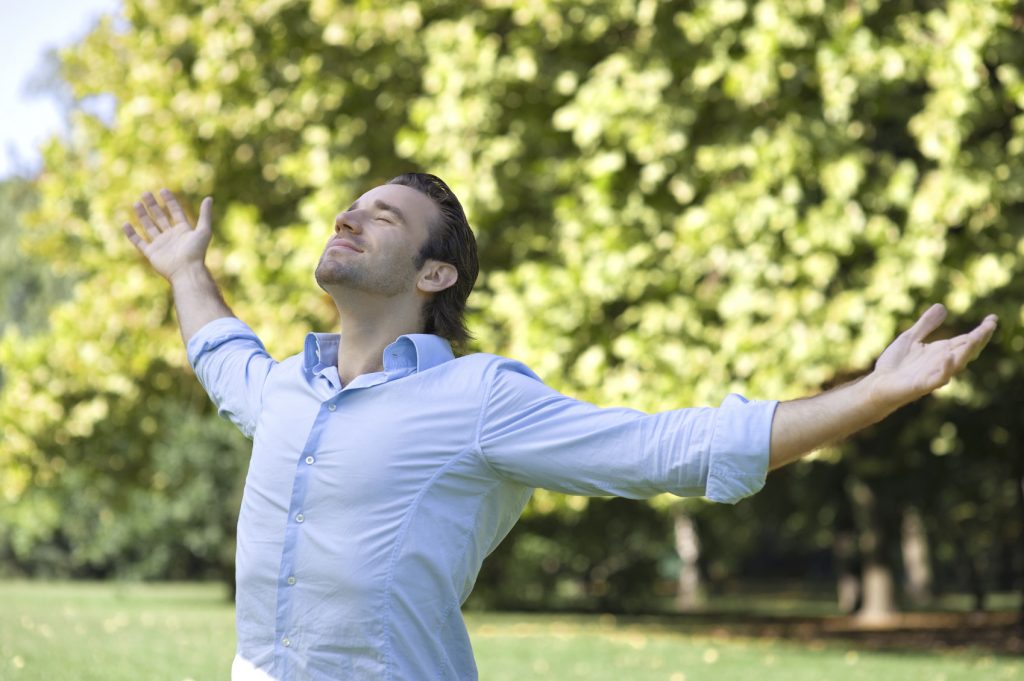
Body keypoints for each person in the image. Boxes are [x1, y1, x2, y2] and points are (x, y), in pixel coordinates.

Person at [122, 173, 997, 681]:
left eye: (381, 216)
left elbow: (666, 451)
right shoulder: (286, 387)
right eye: (350, 207)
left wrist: (873, 395)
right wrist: (186, 270)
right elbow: (223, 354)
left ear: (434, 273)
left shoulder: (479, 397)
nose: (347, 218)